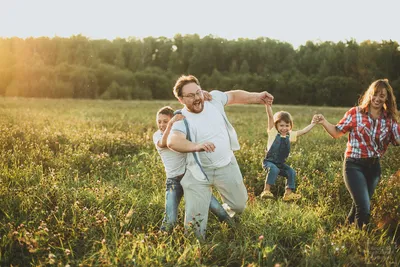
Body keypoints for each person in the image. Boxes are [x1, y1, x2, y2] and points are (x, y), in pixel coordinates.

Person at [167, 75, 273, 238]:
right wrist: (196, 146)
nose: (197, 98)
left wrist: (258, 97)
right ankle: (196, 252)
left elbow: (234, 96)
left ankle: (219, 212)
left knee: (239, 206)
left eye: (197, 93)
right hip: (198, 174)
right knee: (194, 231)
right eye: (190, 96)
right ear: (180, 99)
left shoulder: (213, 99)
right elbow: (173, 141)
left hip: (226, 165)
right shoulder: (181, 118)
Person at [314, 79, 400, 228]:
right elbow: (336, 133)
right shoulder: (356, 113)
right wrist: (323, 122)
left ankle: (346, 234)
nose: (377, 99)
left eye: (382, 96)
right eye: (375, 94)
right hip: (354, 165)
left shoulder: (389, 119)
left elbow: (397, 140)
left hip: (374, 169)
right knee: (364, 209)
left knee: (358, 206)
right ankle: (359, 244)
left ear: (387, 98)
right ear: (369, 94)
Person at [153, 106, 230, 232]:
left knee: (218, 209)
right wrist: (171, 123)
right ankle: (159, 242)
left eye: (165, 121)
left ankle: (235, 228)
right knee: (170, 220)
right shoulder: (157, 136)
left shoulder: (180, 134)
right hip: (174, 182)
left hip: (192, 178)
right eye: (159, 121)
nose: (161, 125)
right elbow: (164, 143)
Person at [260, 103, 316, 201]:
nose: (284, 128)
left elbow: (303, 131)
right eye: (281, 125)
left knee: (291, 172)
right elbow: (270, 116)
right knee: (273, 169)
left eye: (287, 125)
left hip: (280, 164)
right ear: (276, 125)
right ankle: (266, 190)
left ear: (290, 126)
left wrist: (313, 123)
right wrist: (267, 105)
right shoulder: (273, 132)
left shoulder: (290, 135)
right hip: (269, 162)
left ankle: (288, 194)